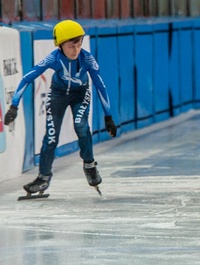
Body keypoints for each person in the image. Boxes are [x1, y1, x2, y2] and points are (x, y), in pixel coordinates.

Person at [4, 20, 118, 195]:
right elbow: (27, 78)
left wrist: (108, 117)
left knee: (81, 126)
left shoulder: (87, 59)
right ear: (60, 45)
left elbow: (100, 85)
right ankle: (43, 177)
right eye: (71, 46)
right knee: (51, 137)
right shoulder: (53, 58)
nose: (76, 50)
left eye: (79, 45)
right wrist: (14, 106)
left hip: (80, 94)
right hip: (57, 95)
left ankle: (89, 165)